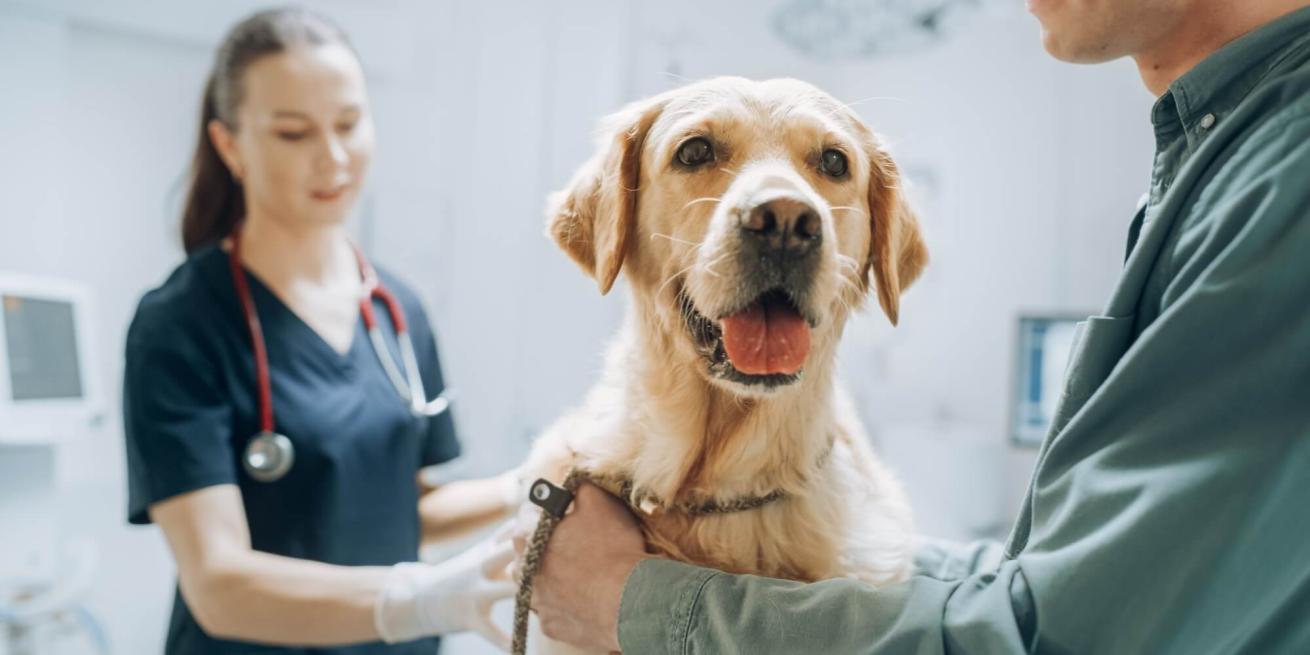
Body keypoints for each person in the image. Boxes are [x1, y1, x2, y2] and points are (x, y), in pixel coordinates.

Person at [512, 0, 1310, 652]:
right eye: (697, 153)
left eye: (830, 167)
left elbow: (1064, 635)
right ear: (621, 230)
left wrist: (634, 599)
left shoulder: (1283, 175)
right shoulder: (1212, 158)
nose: (782, 210)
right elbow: (1061, 580)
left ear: (874, 259)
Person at [123, 8, 519, 654]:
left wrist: (530, 482)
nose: (333, 158)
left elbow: (405, 507)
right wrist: (422, 598)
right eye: (292, 133)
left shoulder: (398, 312)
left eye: (349, 124)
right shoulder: (181, 324)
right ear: (230, 146)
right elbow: (219, 583)